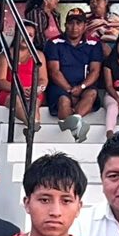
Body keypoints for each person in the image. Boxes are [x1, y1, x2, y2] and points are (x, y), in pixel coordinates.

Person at [44, 7, 102, 141]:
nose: (74, 27)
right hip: (60, 87)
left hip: (84, 86)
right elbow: (54, 71)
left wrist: (81, 87)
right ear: (65, 25)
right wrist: (70, 90)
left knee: (91, 93)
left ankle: (70, 123)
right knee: (64, 101)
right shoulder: (53, 43)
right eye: (71, 23)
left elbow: (95, 71)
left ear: (85, 25)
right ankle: (76, 128)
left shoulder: (94, 43)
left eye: (78, 23)